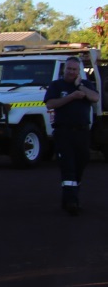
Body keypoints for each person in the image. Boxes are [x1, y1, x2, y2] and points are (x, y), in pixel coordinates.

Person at [44, 55, 100, 215]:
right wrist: (71, 97)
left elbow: (95, 98)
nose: (71, 72)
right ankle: (72, 202)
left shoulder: (85, 84)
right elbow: (50, 104)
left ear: (78, 71)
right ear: (64, 69)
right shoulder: (56, 85)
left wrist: (80, 87)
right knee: (67, 166)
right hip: (63, 132)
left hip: (82, 132)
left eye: (74, 69)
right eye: (69, 68)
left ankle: (69, 197)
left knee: (80, 164)